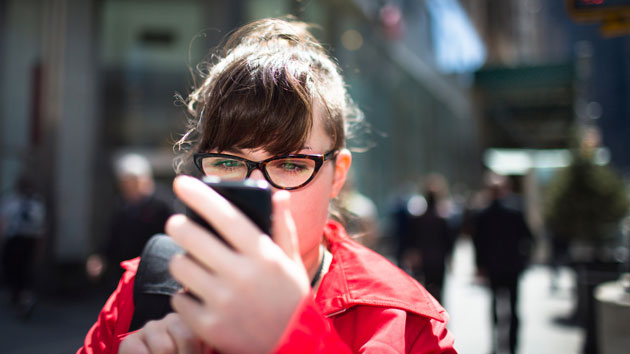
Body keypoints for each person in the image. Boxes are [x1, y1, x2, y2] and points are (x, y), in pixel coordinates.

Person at [78, 18, 456, 354]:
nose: (258, 187)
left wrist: (295, 338)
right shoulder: (143, 290)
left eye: (291, 164)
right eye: (228, 162)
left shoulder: (404, 322)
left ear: (337, 175)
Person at [86, 153, 173, 288]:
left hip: (154, 273)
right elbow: (112, 237)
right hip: (125, 274)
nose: (127, 188)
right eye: (124, 183)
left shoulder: (163, 204)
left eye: (132, 182)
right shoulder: (122, 206)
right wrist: (101, 258)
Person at [472, 173, 532, 354]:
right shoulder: (513, 211)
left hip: (496, 267)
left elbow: (478, 244)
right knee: (511, 308)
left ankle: (499, 344)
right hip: (510, 267)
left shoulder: (484, 213)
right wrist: (524, 260)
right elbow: (529, 238)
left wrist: (479, 266)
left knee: (498, 307)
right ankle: (510, 346)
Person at [0, 174, 46, 319]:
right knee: (26, 271)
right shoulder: (36, 203)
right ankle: (25, 297)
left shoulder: (11, 202)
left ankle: (19, 300)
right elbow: (41, 227)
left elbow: (3, 223)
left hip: (15, 240)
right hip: (30, 241)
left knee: (14, 272)